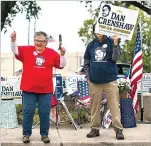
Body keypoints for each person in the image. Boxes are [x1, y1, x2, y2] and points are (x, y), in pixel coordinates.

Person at [10, 31, 67, 143]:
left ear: (46, 42)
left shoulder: (51, 53)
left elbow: (61, 64)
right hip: (28, 89)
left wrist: (63, 55)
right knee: (28, 111)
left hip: (45, 90)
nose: (39, 43)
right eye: (37, 41)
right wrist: (13, 40)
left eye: (42, 41)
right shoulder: (27, 50)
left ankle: (44, 135)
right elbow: (15, 50)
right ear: (34, 41)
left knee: (44, 112)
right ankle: (26, 134)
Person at [83, 26, 124, 140]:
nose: (99, 33)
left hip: (110, 80)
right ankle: (94, 129)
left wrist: (116, 44)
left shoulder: (112, 42)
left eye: (101, 31)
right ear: (94, 32)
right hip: (95, 81)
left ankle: (118, 129)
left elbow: (116, 58)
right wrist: (88, 76)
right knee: (95, 106)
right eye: (97, 31)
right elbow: (86, 60)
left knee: (114, 105)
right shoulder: (91, 45)